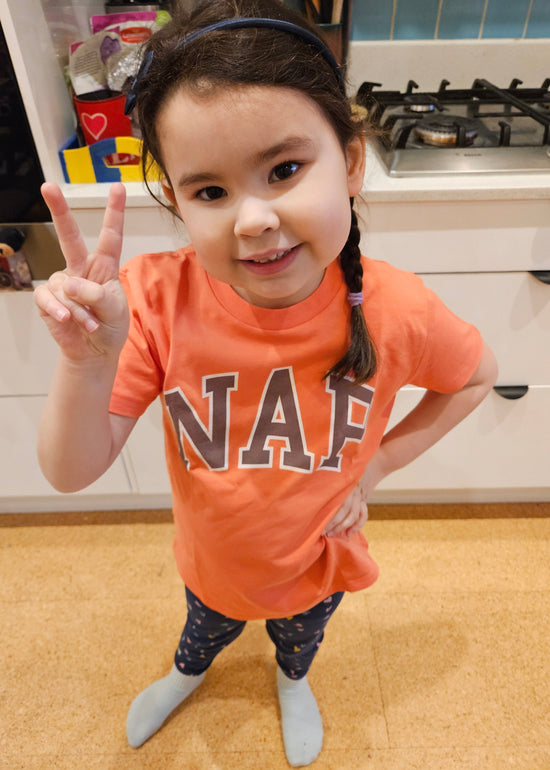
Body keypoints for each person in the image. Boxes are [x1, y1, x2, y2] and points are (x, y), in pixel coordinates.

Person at [34, 0, 498, 765]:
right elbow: (70, 470)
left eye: (285, 170)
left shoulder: (398, 308)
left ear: (349, 162)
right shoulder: (152, 301)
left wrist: (376, 465)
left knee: (301, 640)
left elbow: (475, 378)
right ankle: (189, 672)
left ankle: (290, 679)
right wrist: (87, 362)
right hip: (211, 562)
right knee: (202, 630)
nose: (252, 219)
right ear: (175, 201)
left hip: (317, 566)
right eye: (209, 192)